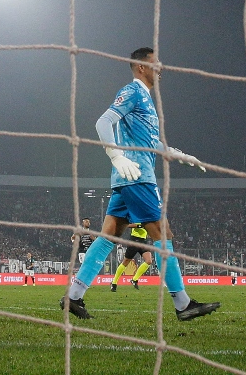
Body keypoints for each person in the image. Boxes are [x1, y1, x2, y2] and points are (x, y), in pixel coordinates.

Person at [60, 47, 219, 321]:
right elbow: (103, 122)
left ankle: (73, 297)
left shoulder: (145, 99)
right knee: (162, 232)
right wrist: (115, 154)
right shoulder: (132, 91)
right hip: (137, 175)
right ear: (142, 67)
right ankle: (182, 304)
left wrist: (178, 154)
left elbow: (149, 142)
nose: (161, 68)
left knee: (109, 234)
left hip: (130, 176)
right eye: (156, 63)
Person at [110, 223, 153, 291]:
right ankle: (114, 282)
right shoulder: (135, 215)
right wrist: (140, 226)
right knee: (125, 262)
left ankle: (134, 279)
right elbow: (128, 225)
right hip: (134, 240)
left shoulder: (146, 216)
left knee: (149, 261)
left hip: (144, 241)